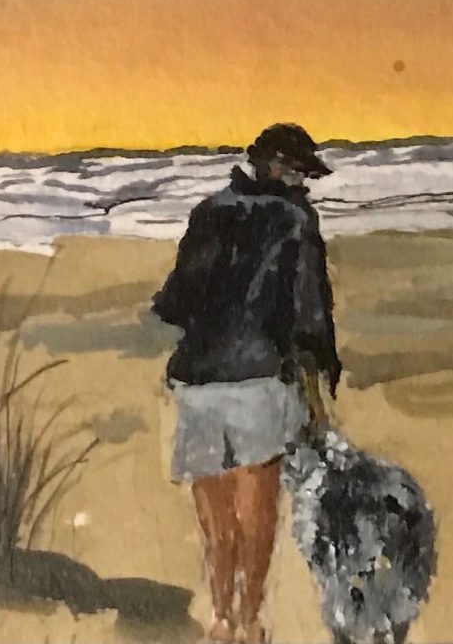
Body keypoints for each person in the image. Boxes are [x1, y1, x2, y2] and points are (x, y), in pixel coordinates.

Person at [151, 123, 343, 644]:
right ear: (281, 168)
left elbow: (174, 302)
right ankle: (250, 619)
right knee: (256, 515)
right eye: (300, 173)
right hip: (261, 380)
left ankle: (220, 616)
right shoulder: (296, 220)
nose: (303, 184)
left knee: (218, 520)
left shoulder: (208, 213)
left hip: (198, 380)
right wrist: (322, 377)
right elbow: (309, 313)